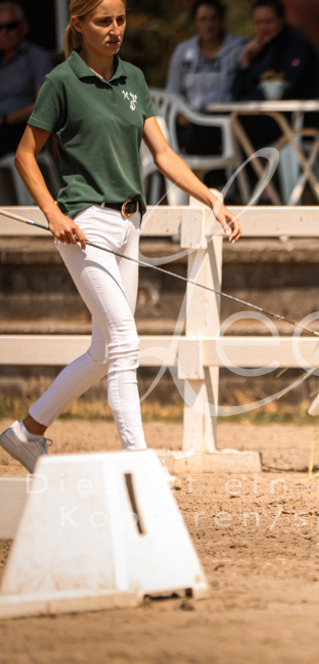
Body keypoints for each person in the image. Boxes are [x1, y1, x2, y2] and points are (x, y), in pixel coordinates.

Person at [0, 0, 242, 474]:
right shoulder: (61, 82)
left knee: (103, 349)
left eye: (121, 20)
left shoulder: (132, 78)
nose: (115, 30)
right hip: (84, 225)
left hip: (132, 222)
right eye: (103, 21)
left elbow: (165, 154)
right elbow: (27, 155)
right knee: (126, 341)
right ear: (79, 25)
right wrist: (52, 213)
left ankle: (27, 432)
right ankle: (138, 463)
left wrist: (211, 199)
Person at [231, 0, 319, 150]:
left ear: (282, 19)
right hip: (264, 117)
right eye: (259, 22)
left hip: (294, 121)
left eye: (269, 21)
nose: (263, 27)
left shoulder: (296, 46)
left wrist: (251, 100)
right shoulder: (257, 49)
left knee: (237, 126)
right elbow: (237, 93)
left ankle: (256, 173)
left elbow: (288, 87)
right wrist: (245, 60)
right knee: (226, 127)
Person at [165, 0, 245, 155]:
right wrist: (180, 112)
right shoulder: (184, 51)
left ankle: (212, 177)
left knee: (199, 136)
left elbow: (244, 86)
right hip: (188, 117)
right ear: (195, 22)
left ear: (221, 20)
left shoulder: (238, 48)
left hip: (224, 117)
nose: (209, 24)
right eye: (203, 19)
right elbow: (172, 91)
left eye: (213, 18)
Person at [0, 2, 52, 157]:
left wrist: (5, 119)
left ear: (24, 27)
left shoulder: (37, 58)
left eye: (11, 26)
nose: (4, 32)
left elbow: (43, 105)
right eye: (0, 27)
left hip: (21, 129)